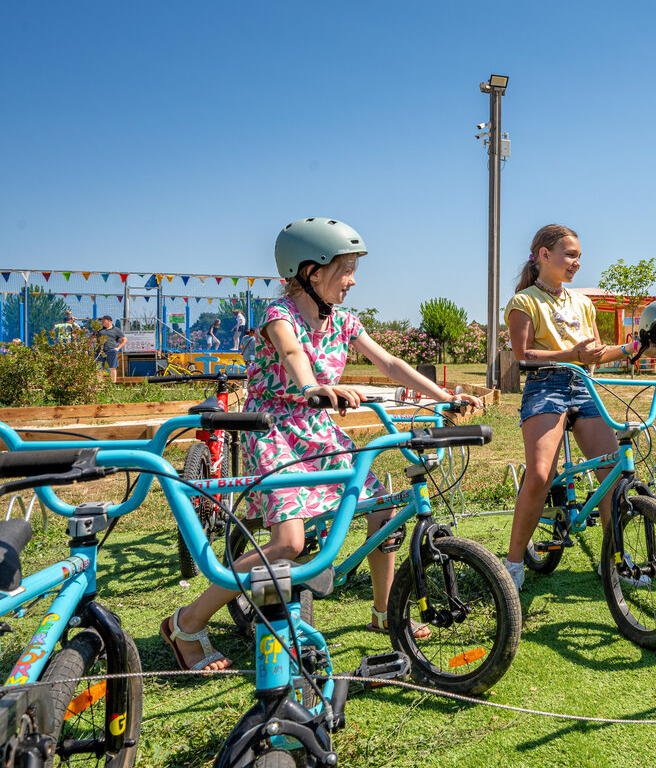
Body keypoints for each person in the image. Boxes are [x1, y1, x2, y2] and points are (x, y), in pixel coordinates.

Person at [160, 218, 484, 672]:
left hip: (316, 428)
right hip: (271, 428)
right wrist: (313, 386)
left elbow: (390, 362)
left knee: (382, 506)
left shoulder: (345, 321)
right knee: (288, 544)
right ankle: (186, 623)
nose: (353, 281)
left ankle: (384, 611)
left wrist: (445, 396)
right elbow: (293, 354)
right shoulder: (280, 317)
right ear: (312, 272)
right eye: (345, 269)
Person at [502, 224, 646, 591]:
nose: (576, 262)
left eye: (579, 256)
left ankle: (614, 560)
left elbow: (595, 355)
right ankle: (513, 563)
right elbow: (523, 357)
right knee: (539, 474)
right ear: (543, 256)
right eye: (570, 255)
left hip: (583, 385)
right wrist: (572, 355)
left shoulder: (583, 303)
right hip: (544, 385)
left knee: (614, 474)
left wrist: (633, 347)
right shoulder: (524, 302)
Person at [94, 315, 126, 383]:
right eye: (101, 321)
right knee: (99, 368)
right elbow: (93, 339)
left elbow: (125, 340)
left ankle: (113, 383)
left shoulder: (116, 330)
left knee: (112, 368)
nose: (102, 322)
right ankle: (99, 384)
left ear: (109, 321)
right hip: (100, 351)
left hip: (111, 351)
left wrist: (118, 348)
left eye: (104, 321)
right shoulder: (100, 330)